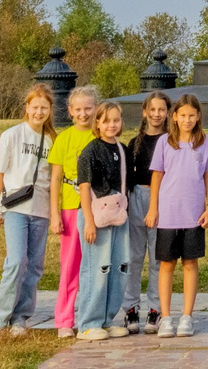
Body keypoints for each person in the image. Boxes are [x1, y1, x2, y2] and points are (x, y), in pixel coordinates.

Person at [0, 87, 57, 337]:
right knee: (16, 261)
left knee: (34, 266)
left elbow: (53, 178)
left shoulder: (51, 139)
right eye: (35, 107)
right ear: (27, 108)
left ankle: (20, 316)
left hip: (41, 208)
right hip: (16, 207)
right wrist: (0, 205)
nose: (39, 112)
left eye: (44, 108)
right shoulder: (12, 135)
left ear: (50, 111)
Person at [150, 93, 208, 335]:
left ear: (198, 116)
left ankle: (187, 316)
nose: (187, 120)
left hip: (194, 215)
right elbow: (157, 176)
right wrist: (153, 209)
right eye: (183, 115)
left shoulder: (205, 142)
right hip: (168, 214)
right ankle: (166, 317)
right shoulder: (164, 143)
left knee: (190, 264)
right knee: (166, 264)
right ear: (175, 117)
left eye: (192, 115)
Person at [74, 100, 134, 341]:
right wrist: (89, 222)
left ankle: (108, 319)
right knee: (97, 268)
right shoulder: (90, 151)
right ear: (97, 122)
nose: (112, 125)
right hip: (95, 216)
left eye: (116, 120)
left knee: (119, 267)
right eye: (106, 120)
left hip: (118, 215)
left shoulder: (122, 149)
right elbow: (84, 187)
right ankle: (88, 322)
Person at [48, 88, 101, 338]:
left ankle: (92, 316)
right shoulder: (64, 139)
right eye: (78, 109)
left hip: (97, 207)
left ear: (96, 108)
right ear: (70, 111)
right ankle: (65, 318)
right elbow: (55, 179)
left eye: (88, 108)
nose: (83, 113)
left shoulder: (100, 135)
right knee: (70, 265)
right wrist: (55, 214)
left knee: (95, 265)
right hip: (70, 206)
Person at [123, 90, 170, 332]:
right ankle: (130, 309)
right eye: (152, 109)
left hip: (162, 199)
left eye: (161, 109)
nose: (156, 114)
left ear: (167, 112)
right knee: (133, 257)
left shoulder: (171, 141)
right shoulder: (135, 142)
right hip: (137, 198)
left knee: (158, 259)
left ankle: (155, 309)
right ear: (145, 112)